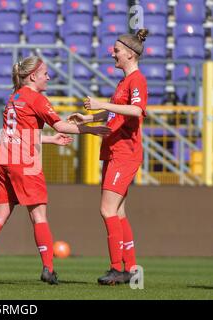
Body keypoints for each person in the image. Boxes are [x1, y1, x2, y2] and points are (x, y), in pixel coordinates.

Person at [0, 55, 111, 285]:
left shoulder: (13, 98)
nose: (49, 77)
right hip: (24, 162)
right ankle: (48, 269)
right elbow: (62, 125)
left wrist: (51, 141)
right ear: (33, 76)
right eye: (45, 73)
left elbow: (20, 134)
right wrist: (90, 130)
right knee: (39, 216)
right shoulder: (37, 98)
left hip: (2, 158)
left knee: (0, 213)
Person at [68, 29, 149, 285]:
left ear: (130, 54)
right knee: (119, 211)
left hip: (125, 153)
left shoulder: (137, 80)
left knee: (106, 209)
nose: (112, 53)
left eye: (116, 50)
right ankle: (132, 269)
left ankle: (117, 268)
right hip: (115, 151)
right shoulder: (124, 82)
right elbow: (117, 114)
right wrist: (90, 118)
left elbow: (136, 110)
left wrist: (102, 104)